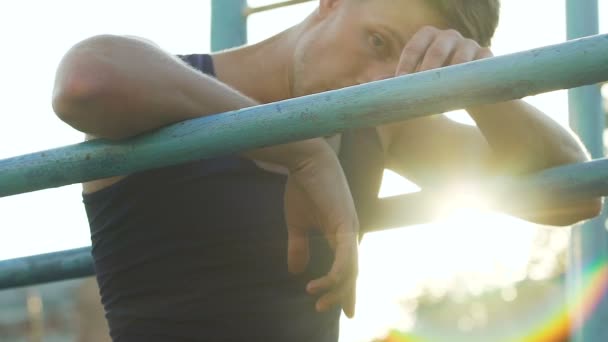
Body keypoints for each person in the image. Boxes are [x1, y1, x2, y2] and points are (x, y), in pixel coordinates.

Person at [51, 0, 601, 341]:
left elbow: (573, 195)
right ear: (331, 1)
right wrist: (304, 151)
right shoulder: (166, 87)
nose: (378, 81)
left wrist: (484, 86)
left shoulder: (380, 121)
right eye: (378, 42)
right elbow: (85, 80)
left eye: (405, 69)